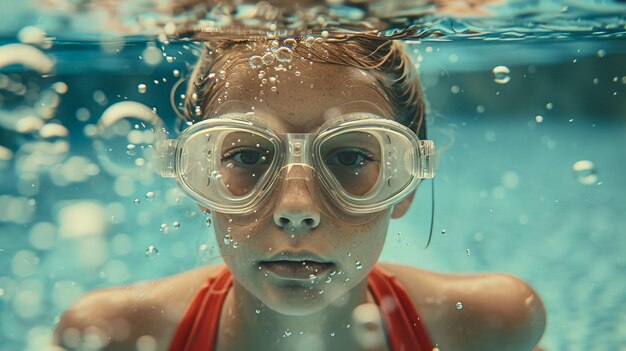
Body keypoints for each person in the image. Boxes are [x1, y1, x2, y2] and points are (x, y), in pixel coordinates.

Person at [52, 31, 546, 351]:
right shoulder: (113, 335)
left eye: (350, 158)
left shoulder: (490, 326)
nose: (295, 210)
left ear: (405, 185)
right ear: (199, 181)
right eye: (246, 157)